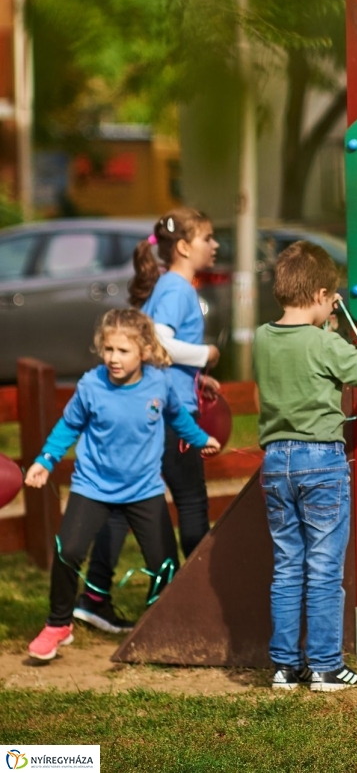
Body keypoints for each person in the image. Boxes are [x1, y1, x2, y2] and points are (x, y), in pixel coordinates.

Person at [254, 240, 357, 692]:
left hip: (275, 462)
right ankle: (326, 665)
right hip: (320, 462)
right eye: (331, 299)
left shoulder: (263, 338)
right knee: (324, 568)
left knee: (288, 565)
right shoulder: (325, 343)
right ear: (325, 296)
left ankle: (286, 667)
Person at [25, 309, 220, 662]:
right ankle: (57, 625)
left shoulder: (159, 384)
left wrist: (200, 437)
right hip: (92, 487)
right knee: (67, 551)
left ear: (144, 351)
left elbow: (177, 416)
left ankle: (163, 624)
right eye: (108, 349)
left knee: (164, 563)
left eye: (123, 351)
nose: (113, 358)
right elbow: (67, 427)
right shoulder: (90, 385)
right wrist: (45, 461)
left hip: (144, 489)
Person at [75, 208, 221, 634]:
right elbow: (158, 341)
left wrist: (197, 378)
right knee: (192, 504)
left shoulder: (169, 287)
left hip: (164, 403)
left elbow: (156, 351)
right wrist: (206, 355)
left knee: (125, 507)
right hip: (171, 416)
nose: (214, 246)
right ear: (183, 247)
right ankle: (197, 599)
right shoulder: (176, 288)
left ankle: (96, 595)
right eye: (208, 238)